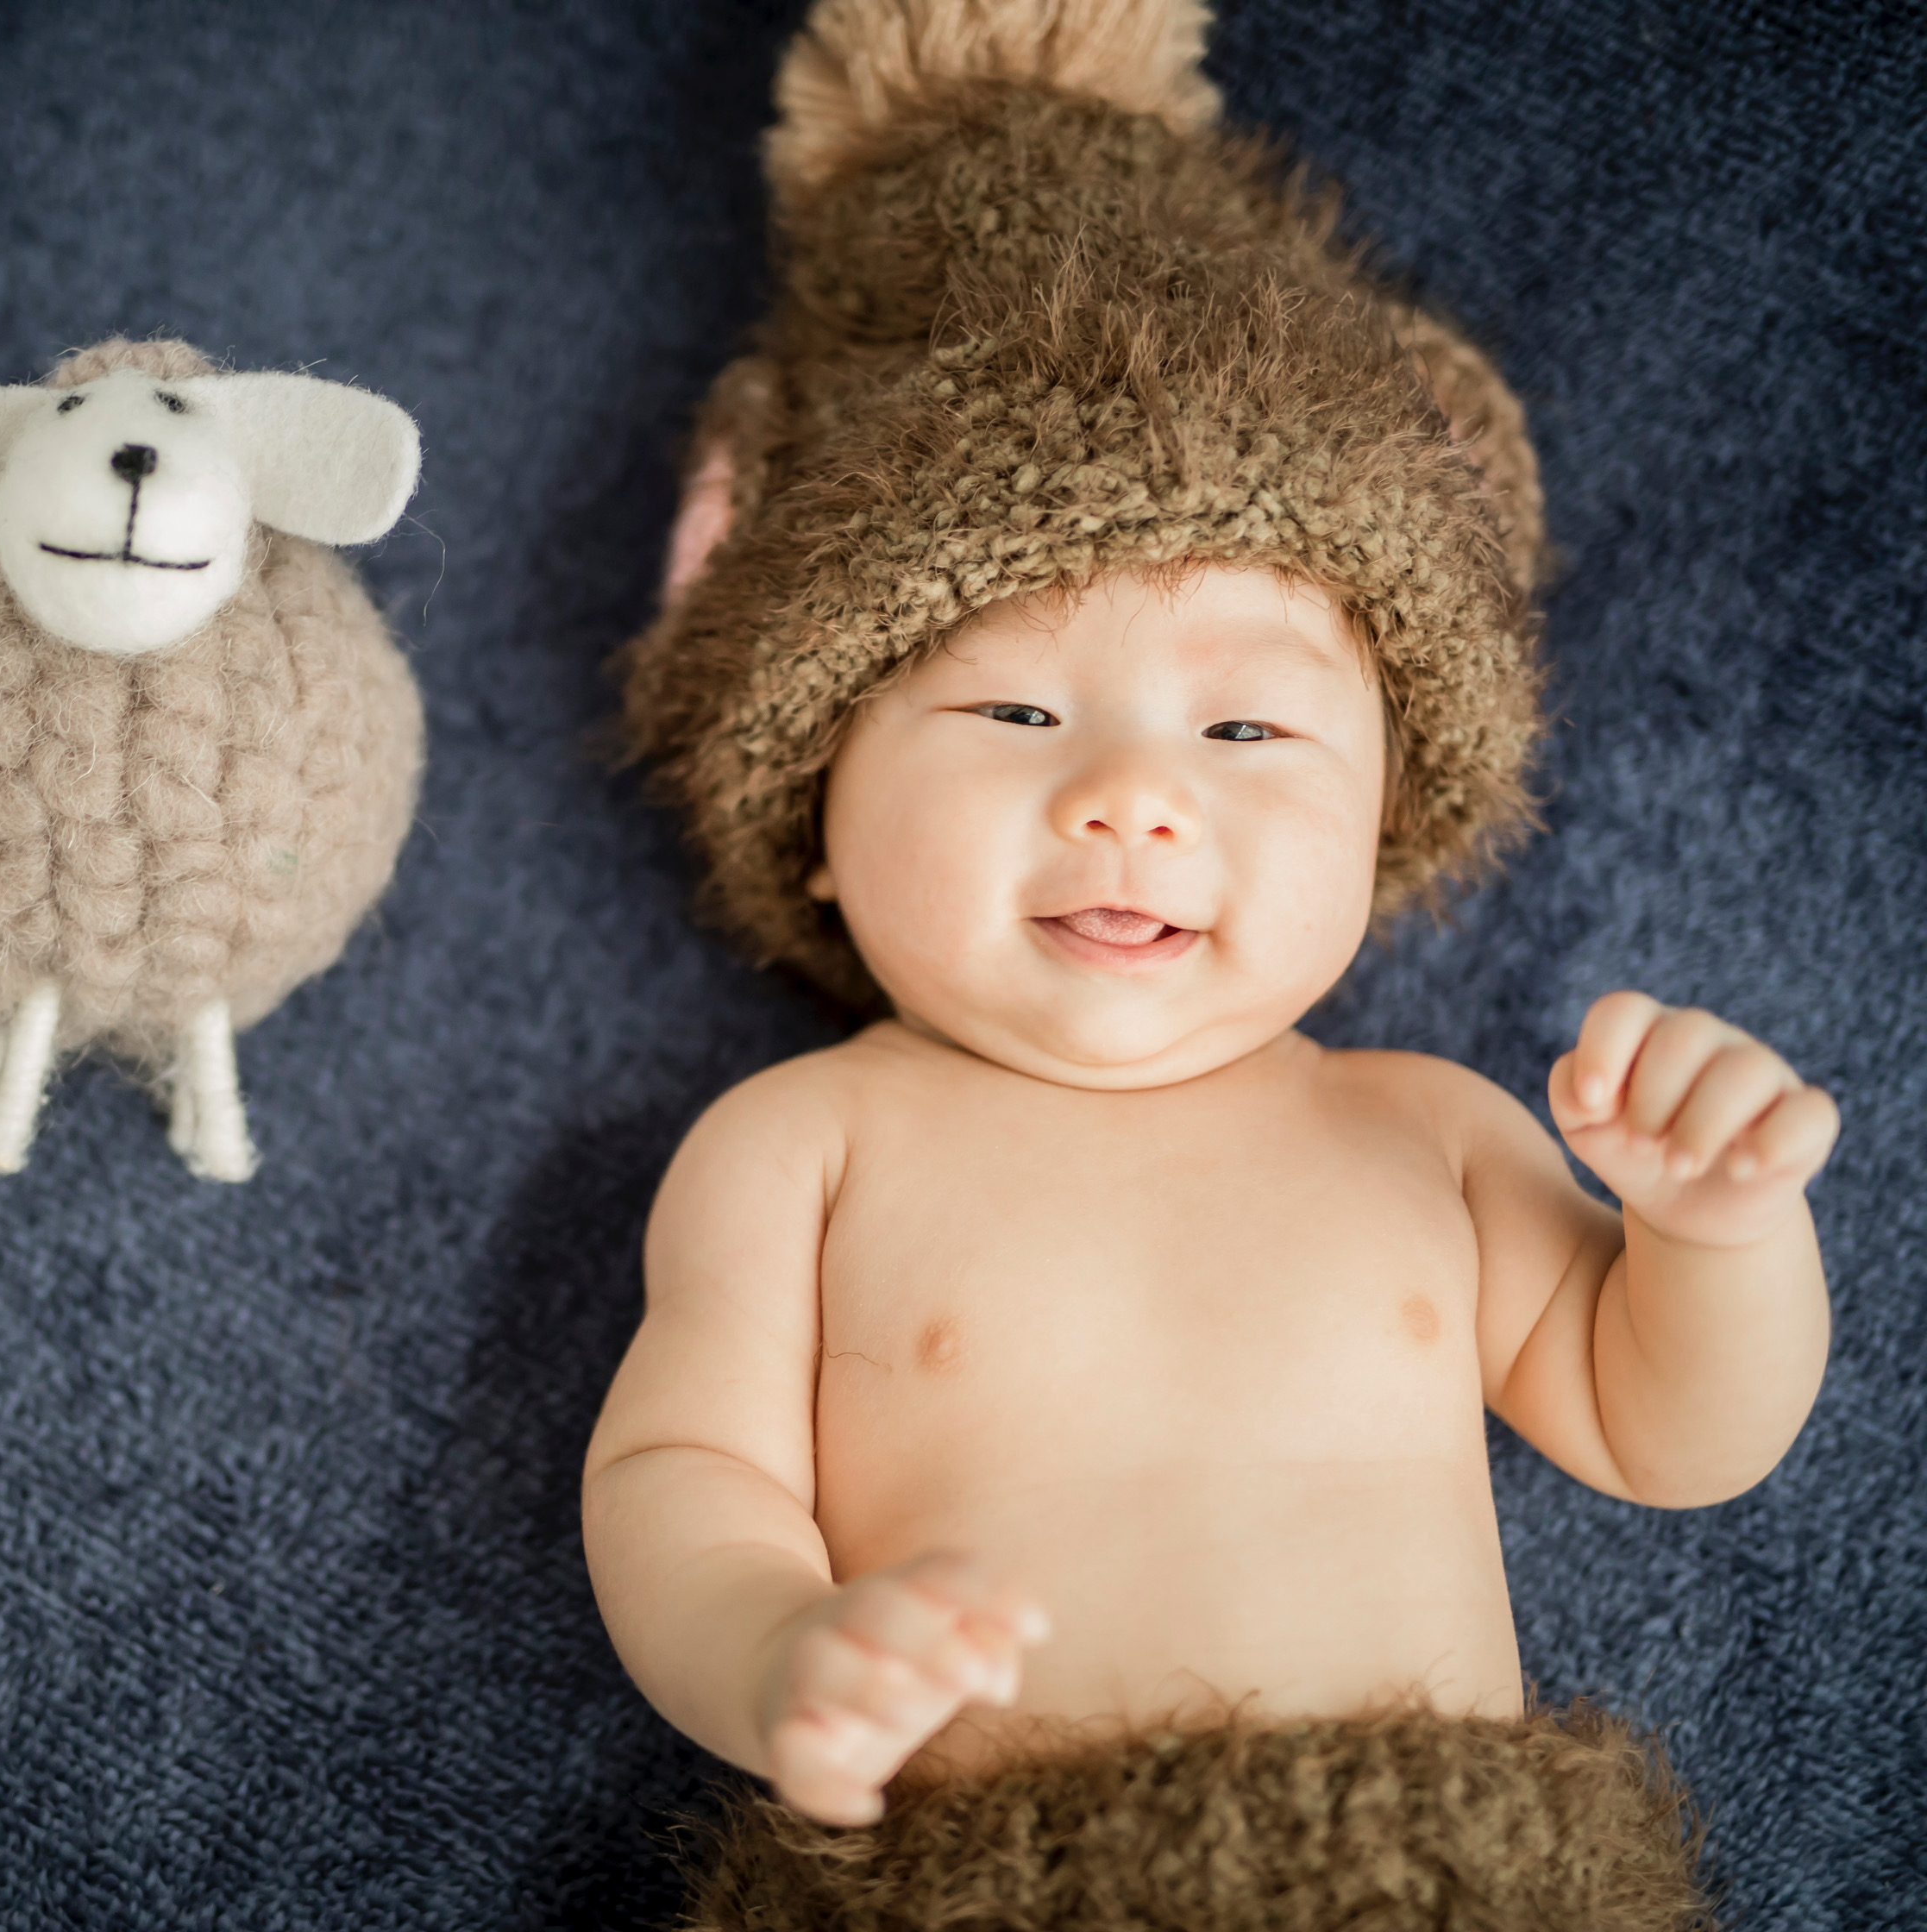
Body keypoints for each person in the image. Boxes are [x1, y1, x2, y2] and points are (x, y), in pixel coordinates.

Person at [587, 4, 1834, 1925]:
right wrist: (773, 1655)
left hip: (1458, 1874)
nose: (1131, 801)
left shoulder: (1424, 1132)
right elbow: (682, 1473)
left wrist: (1716, 1238)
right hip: (984, 1879)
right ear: (819, 800)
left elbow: (1664, 1432)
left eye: (1248, 735)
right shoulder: (802, 1147)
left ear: (1389, 813)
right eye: (1009, 707)